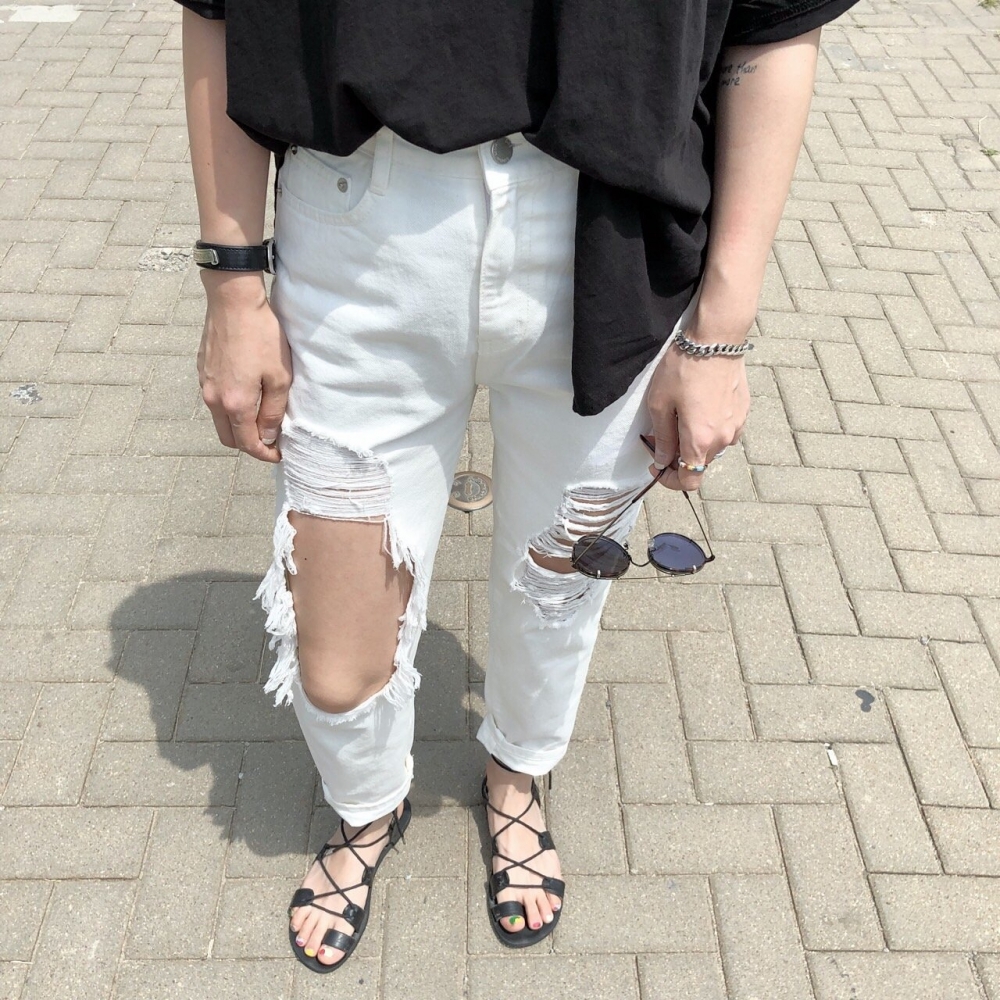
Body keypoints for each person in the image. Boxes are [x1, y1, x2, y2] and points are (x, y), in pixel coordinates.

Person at [178, 0, 858, 972]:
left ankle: (516, 774)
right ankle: (367, 804)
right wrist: (233, 284)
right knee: (336, 654)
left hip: (610, 234)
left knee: (557, 584)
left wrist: (720, 331)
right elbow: (216, 9)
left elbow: (772, 25)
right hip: (360, 230)